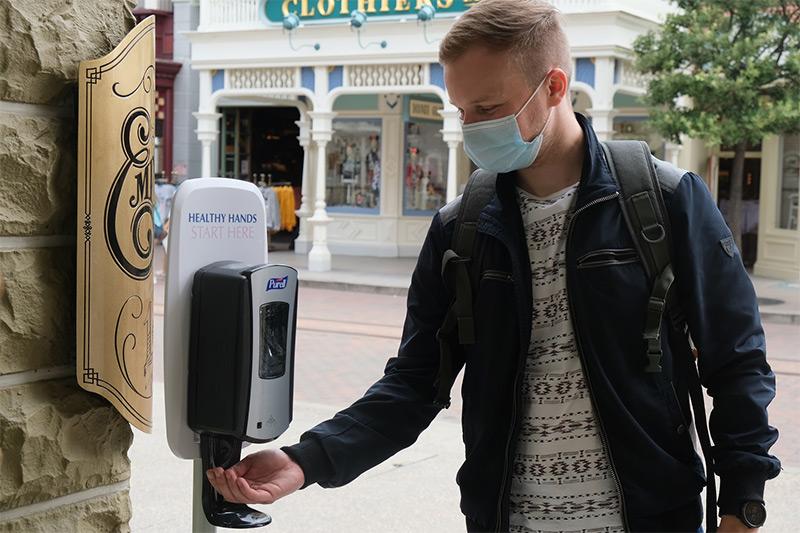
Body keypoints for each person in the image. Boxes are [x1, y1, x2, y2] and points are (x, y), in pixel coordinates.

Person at [205, 1, 780, 531]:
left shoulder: (665, 201)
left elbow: (737, 362)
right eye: (461, 110)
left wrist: (742, 508)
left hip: (652, 519)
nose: (472, 126)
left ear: (554, 87)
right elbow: (413, 384)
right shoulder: (461, 230)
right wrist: (307, 460)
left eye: (488, 108)